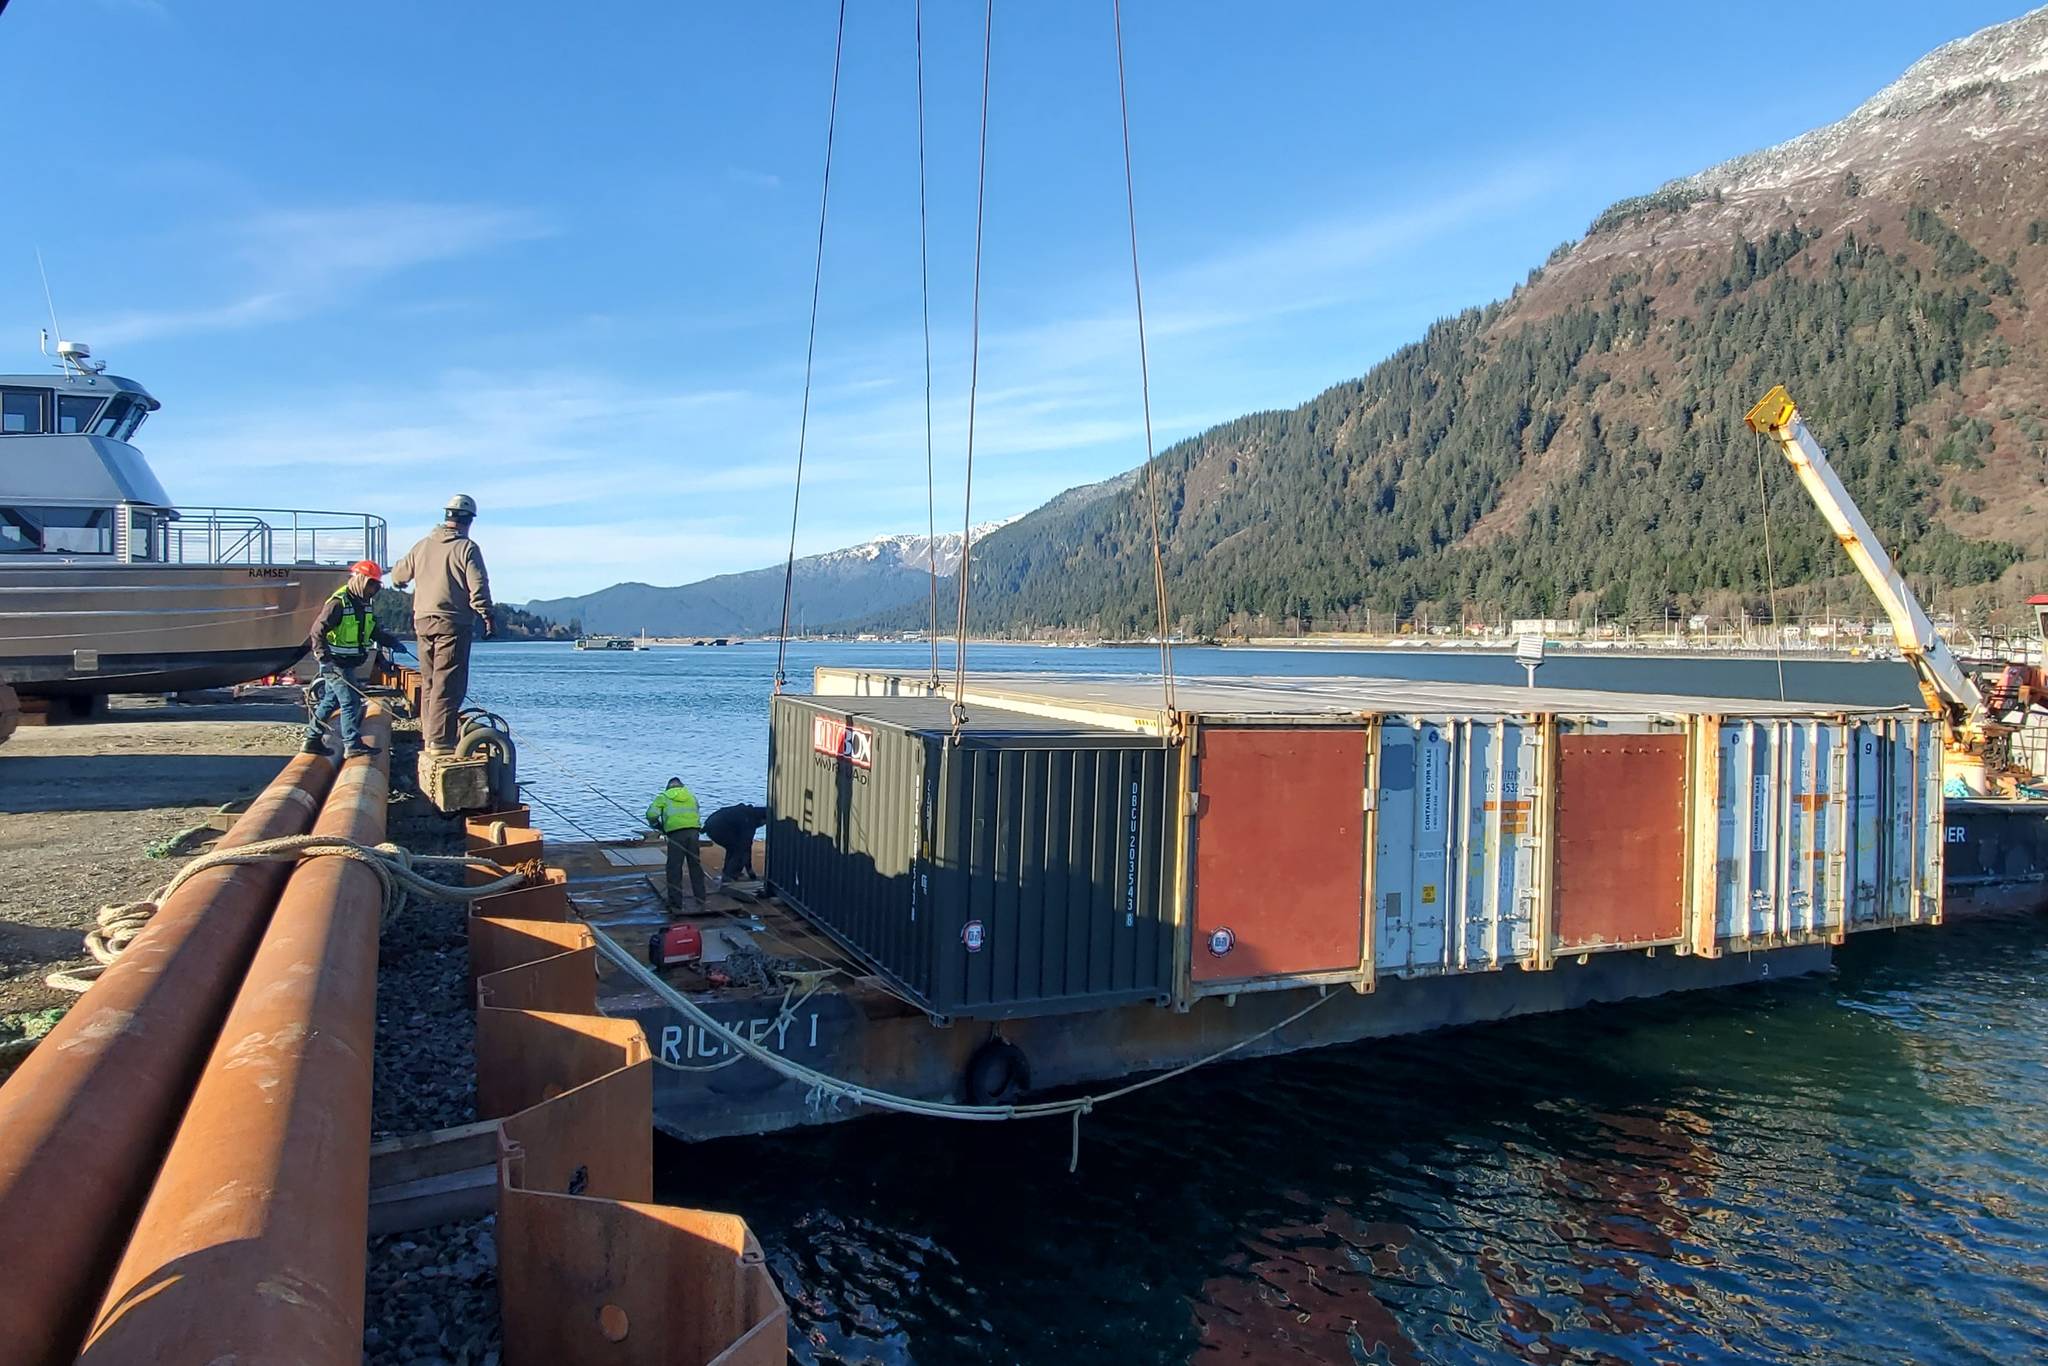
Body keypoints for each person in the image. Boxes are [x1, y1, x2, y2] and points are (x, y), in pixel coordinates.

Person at [389, 493, 495, 756]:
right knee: (448, 682)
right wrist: (486, 615)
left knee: (429, 680)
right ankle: (440, 742)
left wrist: (400, 582)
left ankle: (429, 736)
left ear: (446, 516)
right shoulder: (466, 548)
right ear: (468, 520)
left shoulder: (422, 545)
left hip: (423, 621)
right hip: (453, 621)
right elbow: (478, 586)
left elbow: (399, 574)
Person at [303, 560, 402, 759]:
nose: (374, 589)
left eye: (376, 585)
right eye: (371, 584)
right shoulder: (338, 603)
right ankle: (352, 744)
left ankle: (312, 739)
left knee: (330, 701)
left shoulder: (363, 604)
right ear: (360, 580)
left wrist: (392, 642)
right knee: (351, 701)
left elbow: (372, 631)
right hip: (336, 663)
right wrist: (324, 659)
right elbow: (317, 632)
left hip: (348, 662)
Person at [645, 776, 706, 910]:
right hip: (693, 832)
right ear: (681, 786)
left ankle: (675, 901)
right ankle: (701, 897)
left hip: (676, 834)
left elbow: (651, 814)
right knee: (695, 865)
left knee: (674, 867)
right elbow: (697, 811)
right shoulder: (691, 796)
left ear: (668, 787)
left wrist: (657, 825)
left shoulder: (664, 796)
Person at [703, 802, 768, 883]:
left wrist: (749, 869)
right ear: (762, 819)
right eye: (764, 824)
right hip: (716, 829)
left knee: (733, 848)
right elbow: (746, 846)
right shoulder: (749, 820)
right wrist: (750, 870)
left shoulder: (748, 813)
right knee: (739, 850)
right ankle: (729, 876)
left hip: (713, 825)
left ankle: (728, 872)